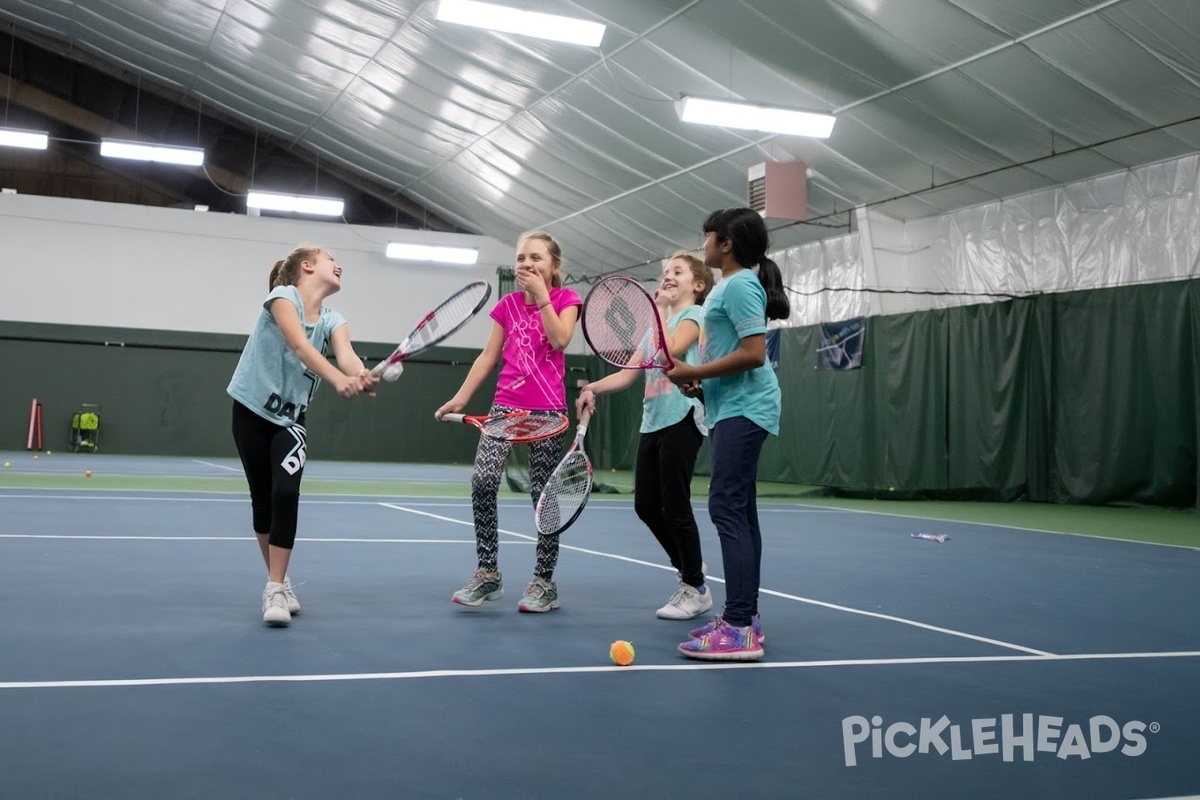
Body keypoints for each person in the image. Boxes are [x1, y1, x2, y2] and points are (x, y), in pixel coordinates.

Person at [227, 245, 377, 627]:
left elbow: (346, 355)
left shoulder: (333, 319)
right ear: (307, 267)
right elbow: (298, 344)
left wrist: (359, 373)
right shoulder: (282, 297)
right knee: (262, 501)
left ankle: (274, 587)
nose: (338, 264)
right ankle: (280, 580)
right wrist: (338, 379)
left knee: (285, 493)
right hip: (249, 411)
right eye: (331, 258)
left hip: (290, 421)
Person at [666, 208, 791, 661]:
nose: (702, 245)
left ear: (726, 244)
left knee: (725, 506)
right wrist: (701, 385)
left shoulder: (739, 285)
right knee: (739, 510)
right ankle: (745, 617)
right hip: (730, 407)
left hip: (747, 408)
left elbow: (755, 354)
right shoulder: (730, 286)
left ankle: (739, 627)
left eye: (707, 237)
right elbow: (731, 355)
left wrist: (695, 369)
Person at [435, 231, 582, 613]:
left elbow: (560, 339)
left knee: (542, 496)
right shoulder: (507, 306)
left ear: (553, 267)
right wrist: (461, 398)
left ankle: (544, 582)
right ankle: (488, 573)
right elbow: (488, 356)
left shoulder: (567, 300)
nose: (526, 265)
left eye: (536, 258)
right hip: (504, 410)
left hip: (549, 412)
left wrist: (544, 297)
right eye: (521, 258)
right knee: (482, 481)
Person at [576, 250, 714, 620]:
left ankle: (695, 586)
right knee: (646, 506)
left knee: (676, 504)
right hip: (651, 421)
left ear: (697, 285)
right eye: (666, 271)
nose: (668, 276)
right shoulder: (654, 328)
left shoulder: (695, 316)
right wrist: (592, 388)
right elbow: (627, 374)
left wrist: (659, 308)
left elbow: (671, 352)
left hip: (683, 417)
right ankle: (690, 568)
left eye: (678, 272)